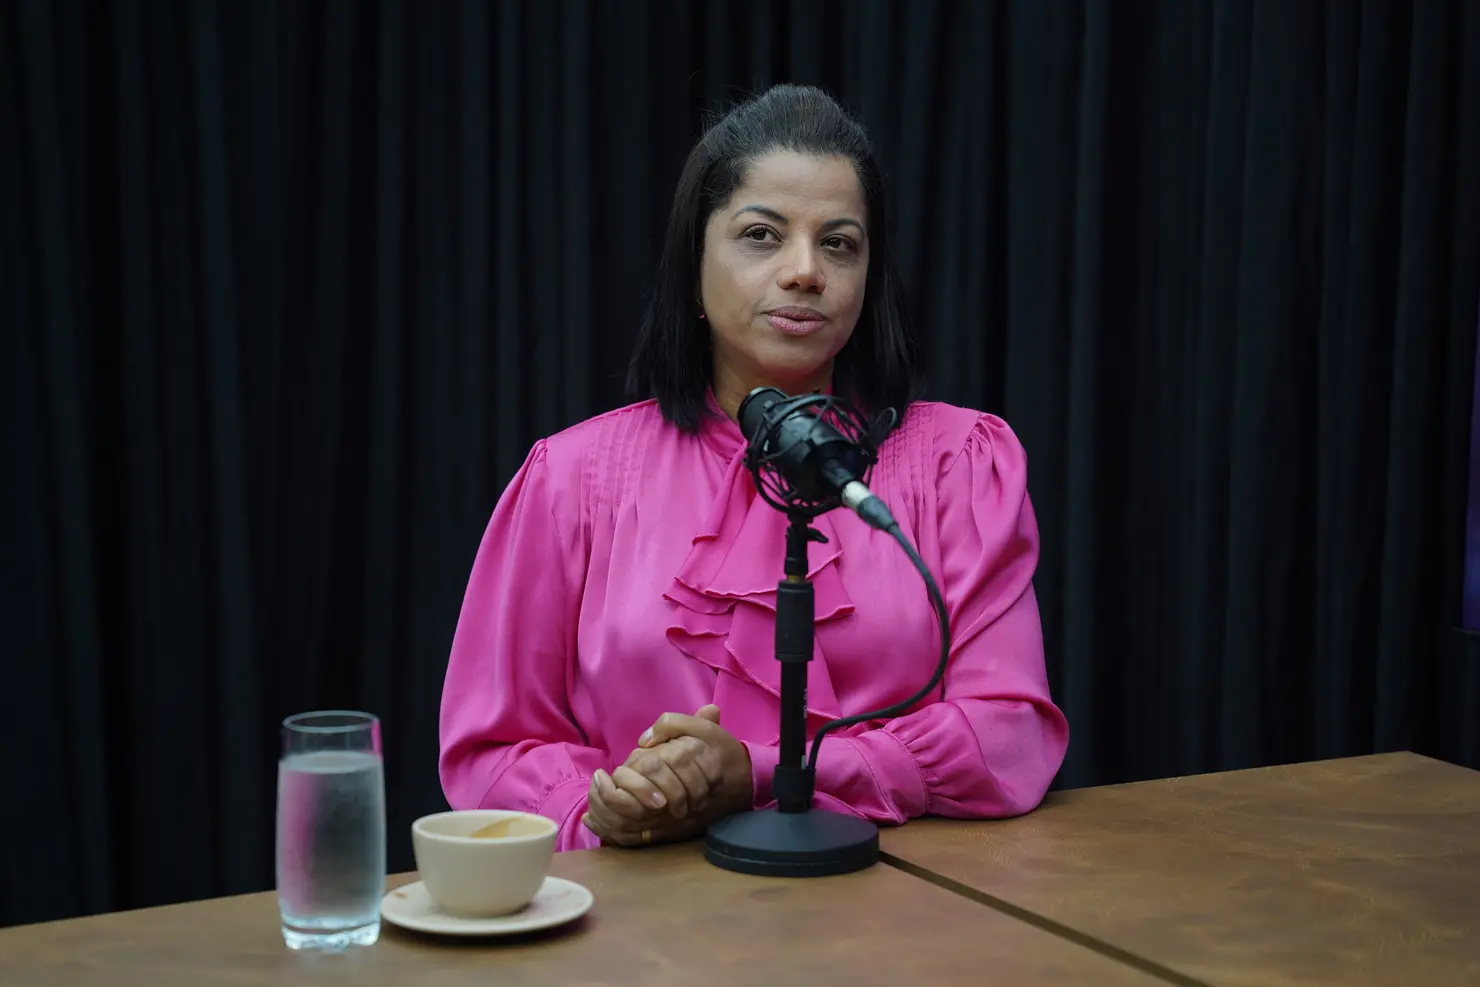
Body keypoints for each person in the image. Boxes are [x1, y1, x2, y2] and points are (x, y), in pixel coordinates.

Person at [438, 84, 1070, 851]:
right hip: (644, 909)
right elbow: (494, 746)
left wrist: (763, 772)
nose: (805, 271)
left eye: (839, 244)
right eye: (762, 235)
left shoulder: (956, 464)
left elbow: (1009, 734)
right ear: (693, 266)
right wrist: (608, 805)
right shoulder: (572, 479)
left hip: (899, 900)